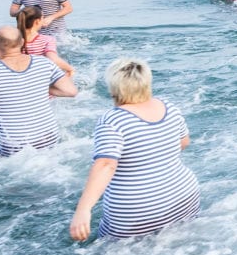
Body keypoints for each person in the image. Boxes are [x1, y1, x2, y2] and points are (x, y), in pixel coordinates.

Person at [70, 57, 198, 240]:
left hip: (136, 213)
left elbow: (106, 164)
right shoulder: (169, 107)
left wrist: (83, 210)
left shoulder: (113, 120)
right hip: (183, 198)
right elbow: (184, 142)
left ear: (114, 88)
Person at [0, 26, 78, 154]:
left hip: (15, 148)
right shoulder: (45, 63)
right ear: (22, 42)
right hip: (50, 139)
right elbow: (71, 91)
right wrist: (37, 87)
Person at [14, 4, 75, 79]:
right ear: (37, 21)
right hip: (40, 78)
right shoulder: (47, 40)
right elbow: (53, 59)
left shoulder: (12, 40)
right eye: (42, 17)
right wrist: (70, 69)